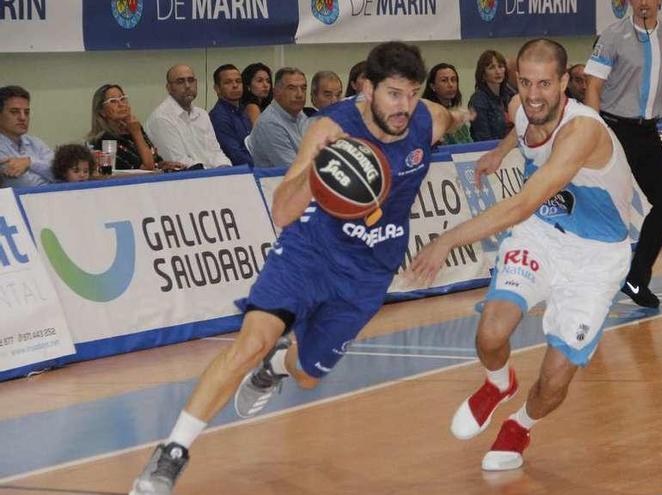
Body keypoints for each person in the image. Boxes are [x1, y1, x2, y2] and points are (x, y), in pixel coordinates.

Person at [129, 40, 472, 495]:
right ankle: (171, 453)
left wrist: (467, 118)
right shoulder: (329, 127)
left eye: (412, 93)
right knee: (251, 339)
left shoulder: (425, 120)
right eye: (393, 94)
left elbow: (454, 116)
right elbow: (283, 211)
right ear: (365, 89)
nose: (404, 105)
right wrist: (320, 169)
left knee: (308, 373)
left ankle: (276, 366)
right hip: (311, 248)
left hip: (370, 267)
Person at [409, 39, 633, 471]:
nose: (533, 94)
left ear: (566, 82)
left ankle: (522, 423)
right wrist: (500, 151)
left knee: (554, 381)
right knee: (490, 335)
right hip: (542, 234)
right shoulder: (522, 107)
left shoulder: (583, 130)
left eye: (545, 84)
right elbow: (522, 124)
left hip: (596, 256)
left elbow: (521, 204)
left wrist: (446, 240)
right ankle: (498, 382)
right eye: (525, 82)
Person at [584, 0, 662, 308]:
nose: (644, 2)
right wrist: (594, 131)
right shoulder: (613, 36)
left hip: (647, 132)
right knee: (605, 211)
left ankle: (637, 277)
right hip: (614, 130)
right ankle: (590, 281)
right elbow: (593, 86)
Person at [146, 64, 232, 168]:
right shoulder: (161, 118)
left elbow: (215, 151)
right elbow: (178, 162)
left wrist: (224, 167)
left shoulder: (202, 114)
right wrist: (214, 174)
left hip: (212, 176)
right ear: (169, 88)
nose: (187, 86)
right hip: (186, 180)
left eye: (191, 80)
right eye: (180, 82)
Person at [87, 84, 181, 172]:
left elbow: (154, 160)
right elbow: (147, 168)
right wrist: (136, 133)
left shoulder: (133, 127)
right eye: (113, 101)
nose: (121, 104)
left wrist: (162, 165)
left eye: (123, 99)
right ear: (101, 111)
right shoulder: (105, 139)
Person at [249, 68, 309, 168]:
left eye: (303, 88)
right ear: (276, 92)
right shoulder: (270, 123)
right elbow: (294, 170)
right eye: (292, 88)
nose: (300, 94)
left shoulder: (299, 114)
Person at [0, 85, 54, 188]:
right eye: (14, 112)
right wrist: (52, 178)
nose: (23, 117)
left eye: (26, 112)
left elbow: (62, 171)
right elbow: (26, 184)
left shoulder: (36, 142)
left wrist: (30, 162)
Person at [209, 64, 253, 166]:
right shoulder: (219, 117)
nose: (235, 85)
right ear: (217, 88)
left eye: (238, 81)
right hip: (239, 173)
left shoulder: (243, 110)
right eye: (228, 82)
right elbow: (235, 155)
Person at [468, 49, 516, 142]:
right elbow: (482, 138)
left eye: (500, 66)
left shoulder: (509, 95)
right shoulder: (478, 101)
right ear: (483, 74)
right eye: (491, 67)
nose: (498, 71)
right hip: (490, 150)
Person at [423, 63, 472, 145]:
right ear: (432, 86)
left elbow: (469, 144)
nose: (450, 85)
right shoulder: (427, 114)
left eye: (453, 80)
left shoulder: (457, 112)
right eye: (444, 80)